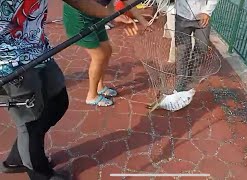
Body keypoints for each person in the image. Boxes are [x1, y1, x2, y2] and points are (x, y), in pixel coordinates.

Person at [0, 0, 139, 179]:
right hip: (9, 64)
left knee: (58, 101)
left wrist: (110, 15)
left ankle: (18, 157)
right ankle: (41, 174)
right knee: (30, 124)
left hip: (38, 48)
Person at [63, 0, 150, 107]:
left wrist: (144, 22)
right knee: (99, 56)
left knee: (107, 50)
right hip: (78, 14)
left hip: (97, 13)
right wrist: (115, 16)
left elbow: (126, 3)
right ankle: (92, 96)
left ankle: (100, 87)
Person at [174, 0, 219, 91]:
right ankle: (180, 80)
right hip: (182, 16)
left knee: (202, 47)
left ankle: (191, 72)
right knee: (182, 50)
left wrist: (207, 12)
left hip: (202, 16)